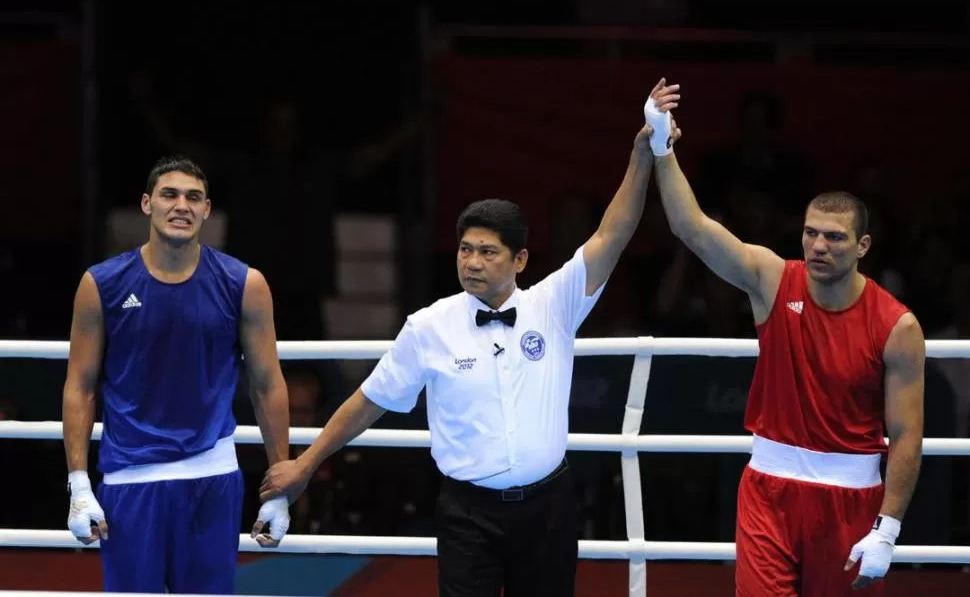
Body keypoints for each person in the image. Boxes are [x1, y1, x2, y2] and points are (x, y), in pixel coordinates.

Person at [257, 78, 681, 597]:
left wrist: (641, 155)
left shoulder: (554, 302)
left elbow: (612, 233)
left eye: (487, 251)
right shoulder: (428, 326)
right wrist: (304, 464)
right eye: (464, 249)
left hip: (548, 509)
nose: (472, 262)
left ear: (520, 260)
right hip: (467, 514)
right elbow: (368, 402)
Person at [645, 103, 925, 595]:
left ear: (863, 245)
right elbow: (692, 228)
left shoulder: (897, 325)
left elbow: (906, 434)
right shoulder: (773, 280)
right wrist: (662, 148)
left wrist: (888, 527)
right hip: (767, 490)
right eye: (811, 233)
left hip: (851, 499)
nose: (818, 245)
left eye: (835, 237)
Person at [62, 156, 294, 594]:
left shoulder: (244, 284)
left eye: (194, 197)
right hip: (130, 479)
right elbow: (80, 385)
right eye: (170, 194)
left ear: (207, 210)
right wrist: (78, 484)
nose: (181, 205)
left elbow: (267, 383)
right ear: (147, 204)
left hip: (212, 476)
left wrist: (280, 483)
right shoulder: (102, 284)